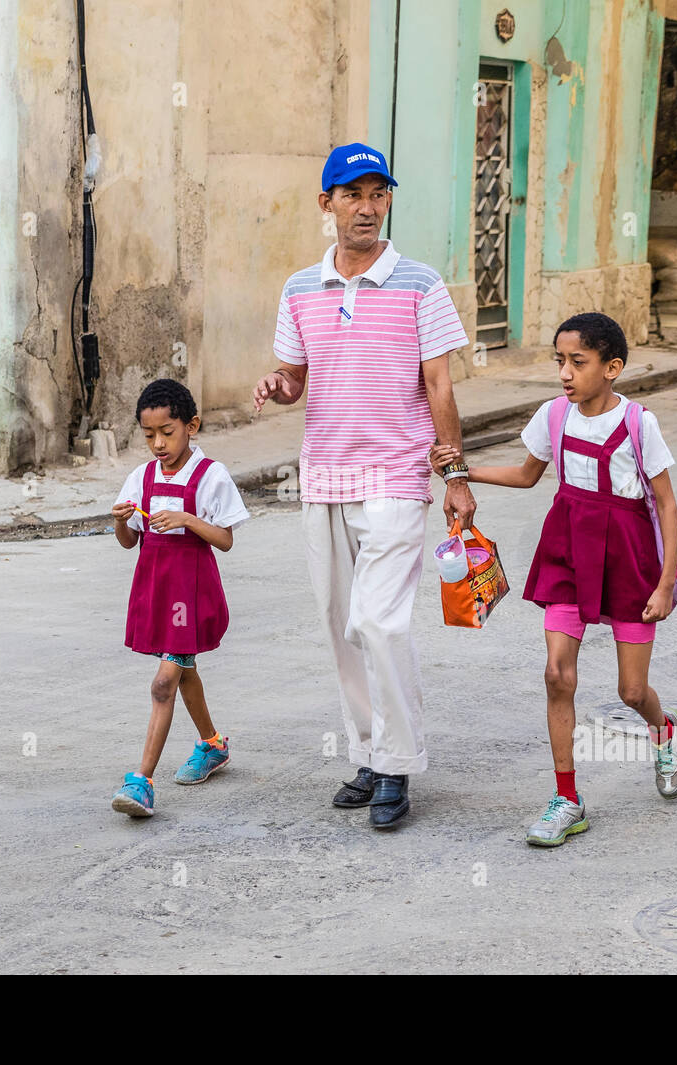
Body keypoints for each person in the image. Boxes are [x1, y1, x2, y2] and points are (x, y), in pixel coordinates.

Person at [252, 142, 475, 830]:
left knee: (379, 621)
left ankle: (400, 765)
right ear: (328, 205)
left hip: (396, 477)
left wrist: (455, 472)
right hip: (323, 477)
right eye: (353, 194)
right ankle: (372, 754)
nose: (368, 207)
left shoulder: (419, 284)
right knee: (339, 625)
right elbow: (295, 377)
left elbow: (438, 383)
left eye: (378, 193)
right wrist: (278, 385)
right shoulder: (299, 288)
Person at [430, 312, 677, 848]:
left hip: (629, 556)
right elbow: (528, 475)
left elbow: (667, 506)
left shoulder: (638, 424)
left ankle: (664, 730)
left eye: (577, 362)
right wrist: (460, 470)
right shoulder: (554, 416)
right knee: (558, 675)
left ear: (613, 367)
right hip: (567, 552)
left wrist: (666, 581)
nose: (565, 373)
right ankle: (566, 799)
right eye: (560, 361)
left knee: (630, 690)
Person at [109, 379, 250, 818]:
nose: (157, 443)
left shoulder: (212, 476)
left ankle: (141, 782)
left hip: (189, 593)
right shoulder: (141, 477)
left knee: (163, 681)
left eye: (167, 432)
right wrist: (121, 521)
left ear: (192, 426)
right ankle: (212, 744)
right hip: (156, 588)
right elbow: (128, 543)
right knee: (185, 671)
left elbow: (224, 540)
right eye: (149, 435)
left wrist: (187, 518)